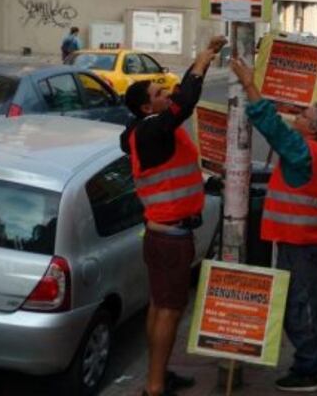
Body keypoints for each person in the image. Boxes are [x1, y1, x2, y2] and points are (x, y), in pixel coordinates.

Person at [120, 35, 226, 396]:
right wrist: (202, 60)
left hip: (161, 235)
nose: (166, 95)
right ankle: (154, 387)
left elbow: (179, 97)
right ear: (146, 108)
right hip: (170, 239)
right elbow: (185, 102)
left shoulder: (146, 130)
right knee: (169, 310)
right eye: (158, 94)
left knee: (159, 306)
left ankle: (158, 375)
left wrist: (203, 61)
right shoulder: (153, 131)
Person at [229, 57, 317, 393]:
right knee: (312, 301)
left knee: (297, 305)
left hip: (300, 243)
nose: (298, 116)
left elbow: (272, 127)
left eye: (304, 115)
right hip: (313, 240)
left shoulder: (303, 151)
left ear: (313, 128)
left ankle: (308, 368)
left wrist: (249, 83)